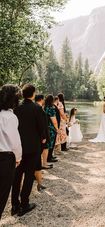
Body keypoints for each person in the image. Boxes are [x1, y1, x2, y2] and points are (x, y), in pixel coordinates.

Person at [11, 84, 45, 217]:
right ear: (33, 94)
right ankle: (24, 204)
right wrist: (41, 139)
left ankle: (14, 205)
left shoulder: (15, 108)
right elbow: (41, 128)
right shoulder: (37, 108)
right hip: (32, 148)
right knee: (29, 176)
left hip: (18, 147)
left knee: (17, 176)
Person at [0, 84, 22, 220]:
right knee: (1, 195)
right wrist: (18, 158)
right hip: (5, 159)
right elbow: (15, 142)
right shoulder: (9, 117)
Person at [35, 95, 52, 170]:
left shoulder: (40, 107)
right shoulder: (38, 108)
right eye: (44, 99)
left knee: (43, 149)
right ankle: (39, 167)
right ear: (41, 99)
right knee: (41, 150)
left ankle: (41, 165)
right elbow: (40, 124)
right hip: (41, 135)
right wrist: (43, 136)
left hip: (41, 134)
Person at [44, 95, 58, 163]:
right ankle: (49, 158)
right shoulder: (51, 108)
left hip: (46, 127)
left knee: (48, 143)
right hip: (51, 127)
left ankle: (50, 156)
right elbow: (54, 120)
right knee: (51, 143)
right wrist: (57, 129)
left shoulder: (44, 107)